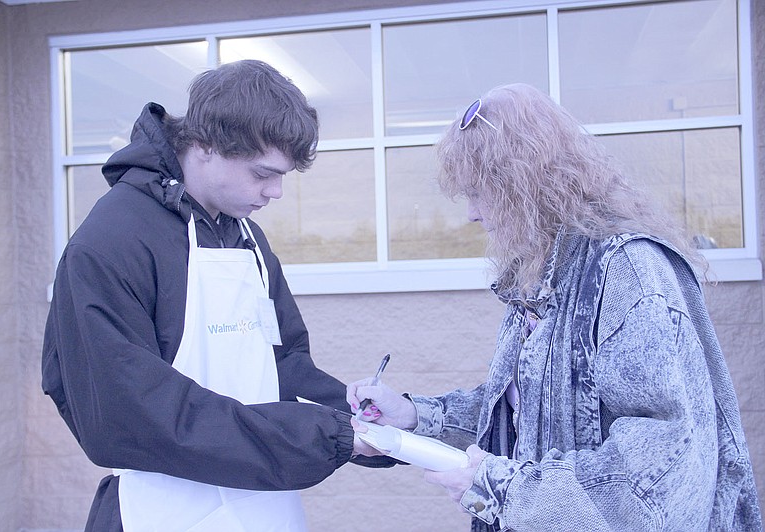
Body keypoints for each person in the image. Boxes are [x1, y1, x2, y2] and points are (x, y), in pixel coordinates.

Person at [348, 83, 762, 531]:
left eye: (478, 191)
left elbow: (658, 465)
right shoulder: (540, 274)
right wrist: (413, 416)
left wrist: (502, 487)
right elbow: (516, 418)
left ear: (522, 182)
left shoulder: (627, 270)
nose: (470, 213)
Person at [42, 59, 382, 532]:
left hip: (265, 507)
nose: (277, 191)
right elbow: (131, 410)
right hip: (161, 511)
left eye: (283, 175)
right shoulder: (110, 242)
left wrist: (361, 420)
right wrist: (324, 437)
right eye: (263, 173)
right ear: (204, 145)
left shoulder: (246, 238)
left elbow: (282, 366)